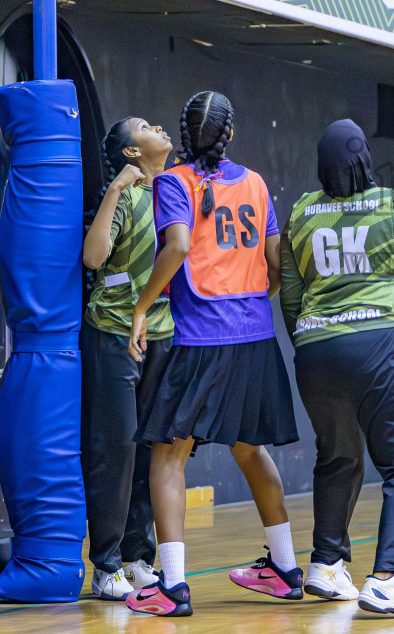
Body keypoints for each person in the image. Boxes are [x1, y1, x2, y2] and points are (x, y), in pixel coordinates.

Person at [124, 92, 301, 618]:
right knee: (250, 449)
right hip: (254, 338)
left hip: (201, 340)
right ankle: (287, 570)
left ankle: (172, 587)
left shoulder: (173, 182)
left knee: (167, 454)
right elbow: (276, 261)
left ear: (183, 135)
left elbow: (176, 247)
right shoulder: (255, 183)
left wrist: (141, 306)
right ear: (230, 134)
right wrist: (250, 304)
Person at [278, 119, 394, 619]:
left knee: (339, 456)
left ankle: (327, 564)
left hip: (313, 350)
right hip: (374, 345)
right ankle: (388, 578)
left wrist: (310, 344)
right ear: (364, 160)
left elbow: (291, 297)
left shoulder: (302, 212)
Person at [80, 116, 175, 600]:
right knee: (115, 450)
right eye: (143, 126)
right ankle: (106, 565)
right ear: (130, 153)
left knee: (149, 451)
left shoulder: (176, 194)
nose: (158, 125)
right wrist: (116, 188)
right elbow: (93, 260)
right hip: (114, 335)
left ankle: (140, 558)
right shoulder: (126, 197)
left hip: (164, 335)